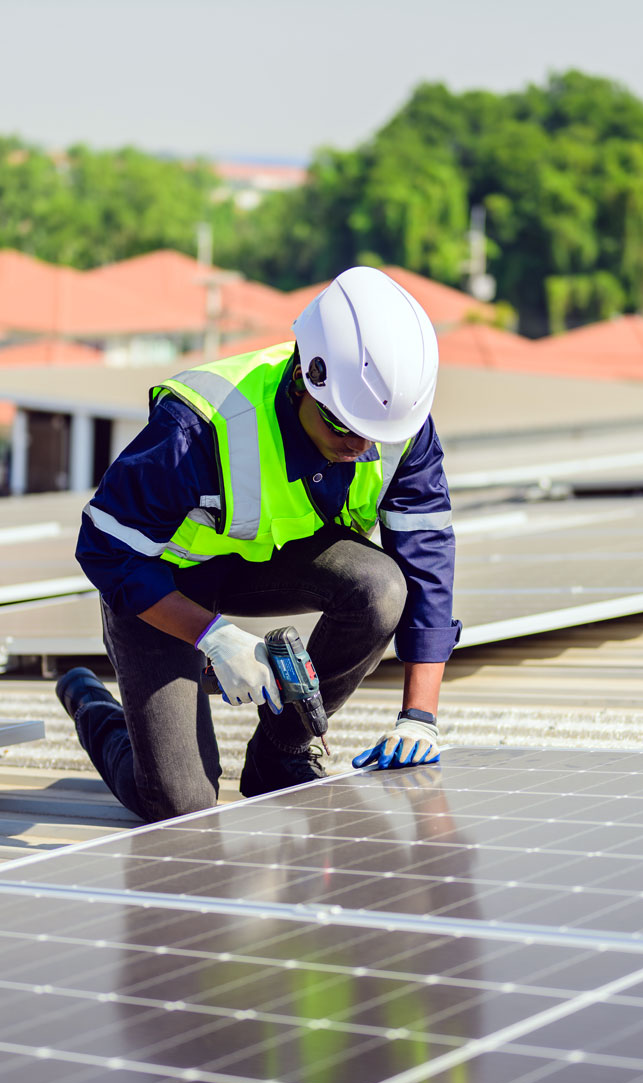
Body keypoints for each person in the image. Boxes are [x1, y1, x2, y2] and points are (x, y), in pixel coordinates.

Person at [57, 265, 460, 822]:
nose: (359, 445)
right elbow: (104, 547)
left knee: (381, 587)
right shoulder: (198, 426)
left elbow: (427, 561)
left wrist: (420, 715)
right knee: (180, 805)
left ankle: (280, 754)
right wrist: (212, 636)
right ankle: (90, 702)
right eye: (342, 427)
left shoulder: (393, 418)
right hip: (165, 582)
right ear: (304, 379)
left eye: (372, 434)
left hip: (269, 566)